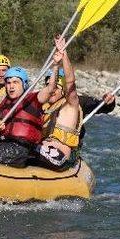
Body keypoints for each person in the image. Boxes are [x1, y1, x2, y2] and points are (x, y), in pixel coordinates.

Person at [0, 60, 59, 168]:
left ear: (24, 84)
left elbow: (50, 89)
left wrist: (55, 65)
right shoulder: (5, 102)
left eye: (15, 82)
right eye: (8, 83)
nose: (11, 86)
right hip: (3, 143)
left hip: (20, 149)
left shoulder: (33, 99)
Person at [37, 37, 81, 169]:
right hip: (42, 150)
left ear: (63, 91)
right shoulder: (42, 107)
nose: (52, 90)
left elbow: (70, 83)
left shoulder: (70, 105)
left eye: (56, 88)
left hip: (59, 156)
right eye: (50, 87)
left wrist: (64, 55)